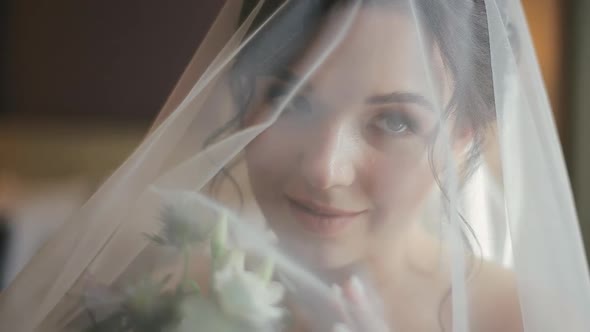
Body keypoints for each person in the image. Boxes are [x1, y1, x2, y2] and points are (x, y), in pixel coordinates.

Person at [1, 1, 589, 331]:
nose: (324, 170)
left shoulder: (536, 323)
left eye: (393, 121)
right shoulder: (153, 294)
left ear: (463, 137)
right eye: (289, 100)